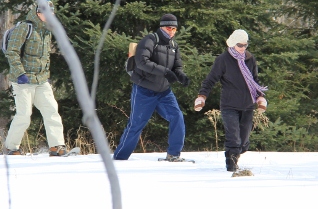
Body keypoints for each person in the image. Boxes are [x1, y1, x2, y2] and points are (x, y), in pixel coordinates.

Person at [114, 13, 191, 161]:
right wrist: (165, 72)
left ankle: (173, 155)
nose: (172, 32)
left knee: (177, 117)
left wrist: (180, 75)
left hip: (164, 92)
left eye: (175, 29)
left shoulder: (174, 45)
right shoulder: (150, 40)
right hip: (144, 90)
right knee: (136, 124)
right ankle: (120, 158)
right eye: (169, 28)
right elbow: (142, 62)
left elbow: (177, 66)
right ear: (162, 27)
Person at [194, 29, 267, 172]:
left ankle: (236, 154)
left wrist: (260, 97)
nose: (243, 48)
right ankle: (231, 167)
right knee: (233, 139)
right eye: (240, 45)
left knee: (243, 142)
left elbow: (254, 80)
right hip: (229, 105)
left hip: (247, 105)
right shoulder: (223, 59)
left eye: (245, 45)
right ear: (233, 44)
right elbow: (210, 80)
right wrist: (202, 96)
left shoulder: (250, 59)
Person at [3, 0, 67, 156]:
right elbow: (12, 52)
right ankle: (11, 148)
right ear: (38, 12)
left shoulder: (47, 30)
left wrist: (46, 75)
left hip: (41, 81)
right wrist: (20, 73)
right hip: (22, 81)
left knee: (52, 111)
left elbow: (44, 56)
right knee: (24, 115)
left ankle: (56, 147)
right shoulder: (25, 28)